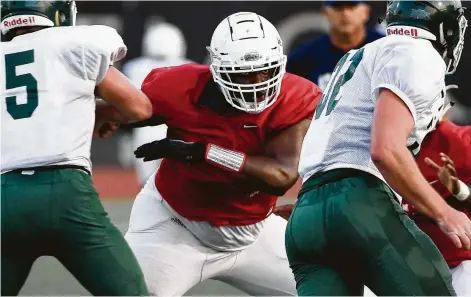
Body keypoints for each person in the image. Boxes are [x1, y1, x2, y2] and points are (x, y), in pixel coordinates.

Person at [123, 12, 321, 296]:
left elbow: (281, 176)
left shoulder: (296, 97)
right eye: (242, 73)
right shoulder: (179, 86)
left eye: (265, 70)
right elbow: (120, 112)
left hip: (253, 233)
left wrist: (203, 152)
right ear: (216, 68)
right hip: (174, 225)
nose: (256, 83)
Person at [286, 1, 470, 295]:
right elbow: (385, 149)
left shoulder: (358, 55)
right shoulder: (416, 53)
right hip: (360, 203)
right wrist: (445, 214)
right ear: (444, 25)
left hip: (306, 219)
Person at [1, 1, 151, 295]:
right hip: (65, 193)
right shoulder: (74, 43)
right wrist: (99, 110)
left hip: (5, 198)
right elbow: (139, 107)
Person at [402, 120, 471, 296]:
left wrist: (459, 190)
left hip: (456, 265)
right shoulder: (367, 141)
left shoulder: (458, 140)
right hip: (399, 268)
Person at [122, 22, 193, 185]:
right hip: (178, 130)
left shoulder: (134, 67)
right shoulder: (191, 67)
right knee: (177, 183)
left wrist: (125, 134)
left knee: (148, 184)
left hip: (146, 130)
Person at [286, 0, 383, 91]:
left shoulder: (386, 50)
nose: (345, 13)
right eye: (337, 7)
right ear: (325, 12)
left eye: (352, 6)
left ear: (366, 12)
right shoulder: (303, 57)